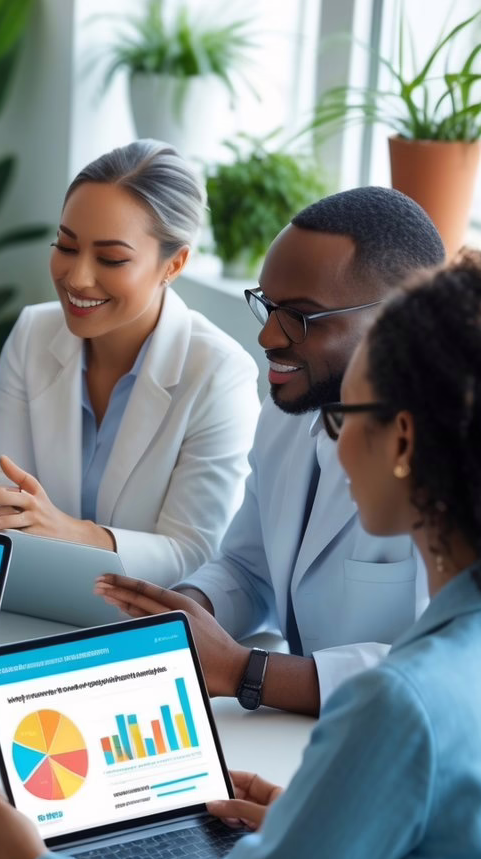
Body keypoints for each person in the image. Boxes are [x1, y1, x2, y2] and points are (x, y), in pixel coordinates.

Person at [0, 255, 481, 859]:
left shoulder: (396, 704)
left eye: (341, 417)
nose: (329, 441)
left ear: (401, 442)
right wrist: (324, 818)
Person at [97, 186, 445, 714]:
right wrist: (189, 613)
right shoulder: (289, 414)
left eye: (300, 317)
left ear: (401, 316)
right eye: (268, 305)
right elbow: (249, 565)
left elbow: (442, 670)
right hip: (305, 735)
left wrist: (244, 671)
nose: (267, 337)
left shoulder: (458, 463)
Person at [0, 140, 259, 586]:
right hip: (33, 598)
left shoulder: (219, 373)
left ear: (174, 264)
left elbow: (198, 554)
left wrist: (67, 532)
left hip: (139, 625)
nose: (78, 277)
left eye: (111, 259)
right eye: (66, 246)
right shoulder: (33, 331)